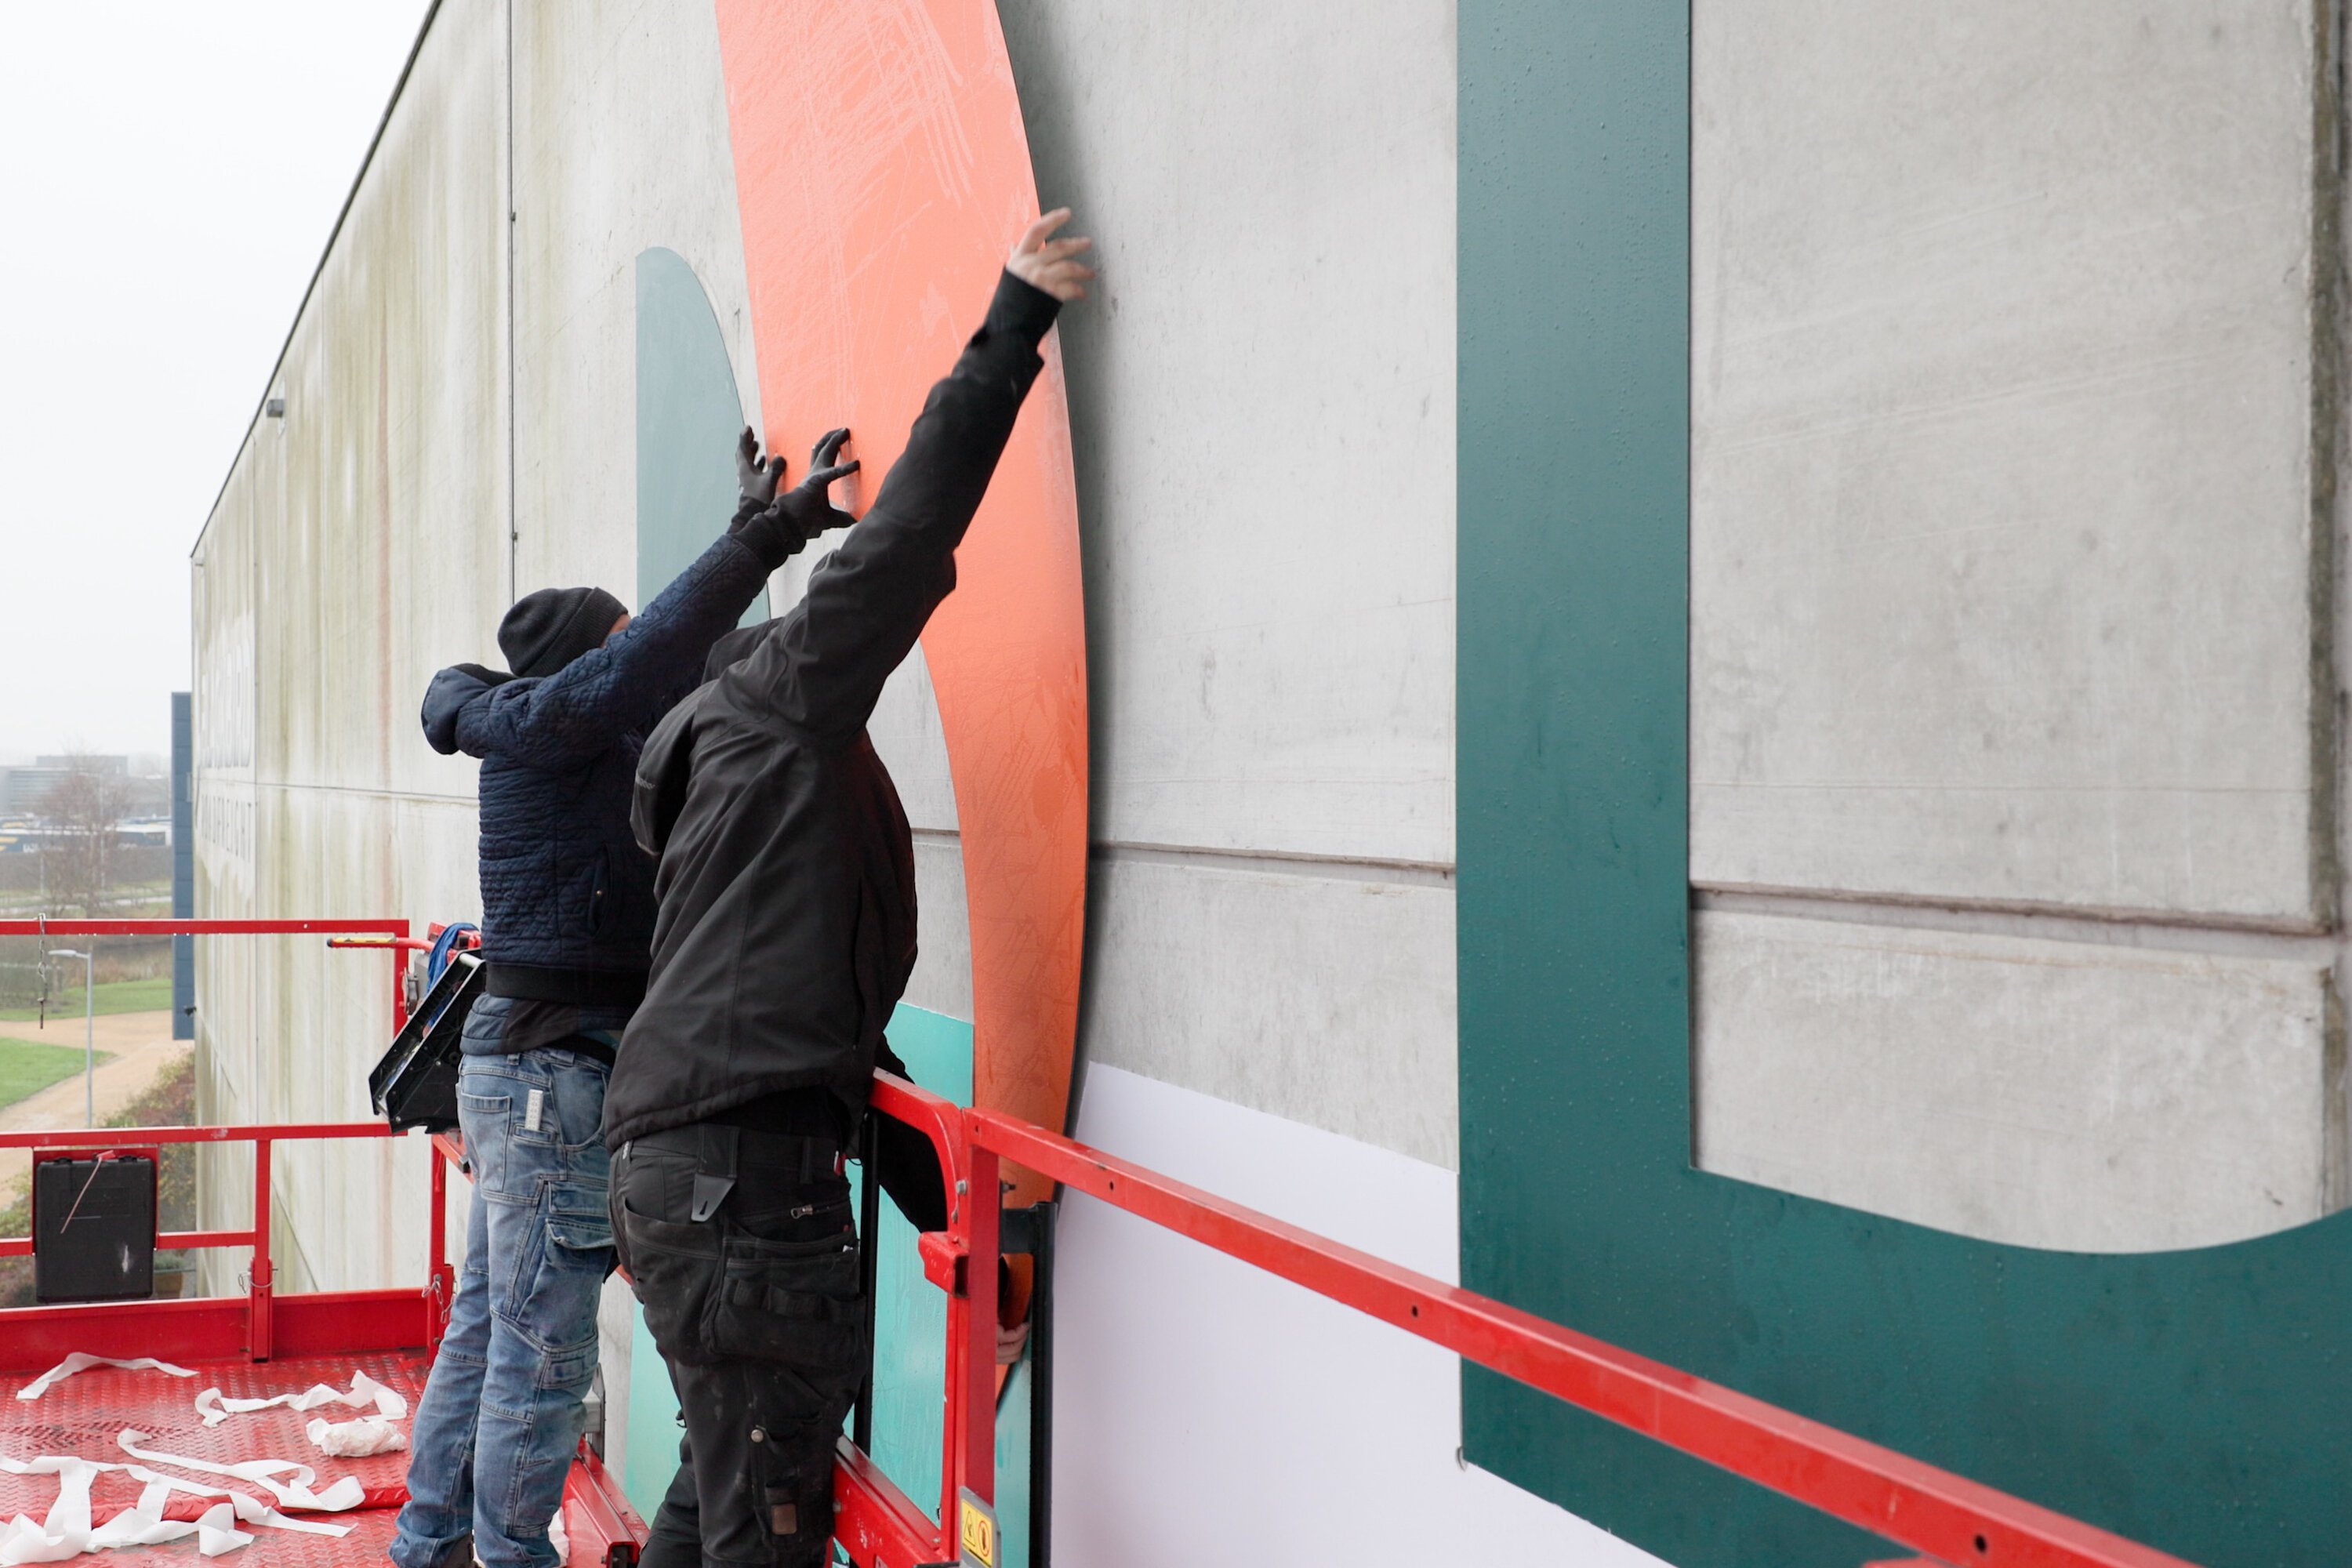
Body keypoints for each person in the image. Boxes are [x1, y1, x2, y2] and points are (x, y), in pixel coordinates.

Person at [605, 209, 1094, 1568]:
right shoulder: (782, 709)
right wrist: (1011, 325)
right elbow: (903, 540)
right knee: (763, 1525)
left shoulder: (724, 803)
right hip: (744, 1202)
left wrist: (961, 1232)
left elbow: (824, 1041)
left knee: (718, 1493)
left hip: (675, 1188)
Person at [390, 426, 861, 1568]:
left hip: (525, 1070)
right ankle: (506, 1554)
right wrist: (772, 531)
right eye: (616, 644)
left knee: (489, 1327)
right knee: (542, 1355)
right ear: (580, 668)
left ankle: (431, 1540)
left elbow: (690, 653)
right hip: (556, 1075)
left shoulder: (560, 730)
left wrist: (765, 537)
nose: (639, 658)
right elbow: (653, 658)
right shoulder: (554, 728)